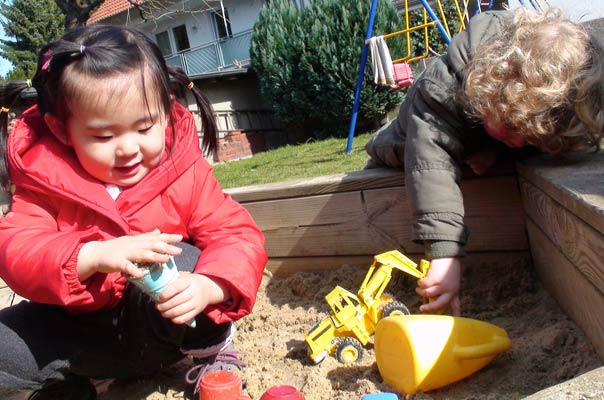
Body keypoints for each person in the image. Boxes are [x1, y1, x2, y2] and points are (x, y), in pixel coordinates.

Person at [0, 24, 267, 400]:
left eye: (144, 127)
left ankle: (211, 354)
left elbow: (236, 234)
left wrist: (211, 285)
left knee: (186, 261)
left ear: (166, 113)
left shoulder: (182, 172)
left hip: (166, 323)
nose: (127, 149)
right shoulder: (45, 180)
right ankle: (68, 387)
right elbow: (16, 248)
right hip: (80, 333)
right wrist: (90, 256)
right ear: (62, 131)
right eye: (104, 136)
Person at [365, 7, 604, 316]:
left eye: (531, 139)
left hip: (472, 134)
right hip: (405, 139)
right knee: (381, 176)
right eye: (516, 128)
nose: (520, 141)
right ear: (491, 89)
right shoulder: (442, 90)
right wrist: (444, 254)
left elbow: (530, 133)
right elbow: (431, 163)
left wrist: (501, 149)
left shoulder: (521, 107)